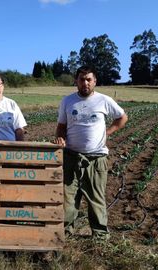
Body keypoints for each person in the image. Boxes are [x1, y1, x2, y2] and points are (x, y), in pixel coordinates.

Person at [53, 66, 128, 241]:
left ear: (95, 81)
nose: (85, 83)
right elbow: (61, 127)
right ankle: (66, 233)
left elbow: (122, 117)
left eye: (89, 79)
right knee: (68, 198)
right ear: (76, 81)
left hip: (96, 158)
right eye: (81, 79)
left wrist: (108, 133)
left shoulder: (104, 100)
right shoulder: (67, 101)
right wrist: (60, 138)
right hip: (71, 157)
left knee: (96, 198)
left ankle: (100, 235)